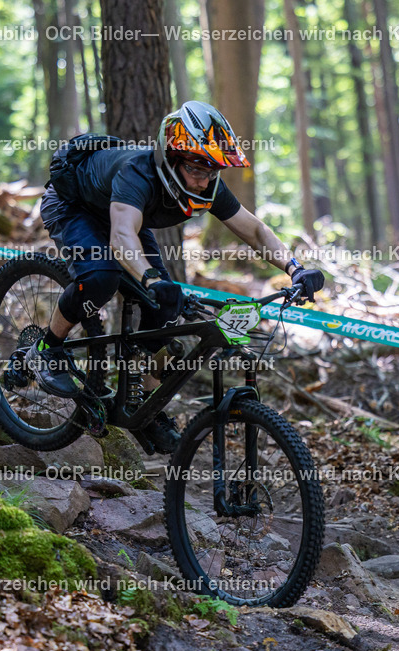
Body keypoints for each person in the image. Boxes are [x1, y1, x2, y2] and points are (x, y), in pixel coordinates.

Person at [28, 101, 325, 454]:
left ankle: (145, 406)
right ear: (171, 157)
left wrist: (294, 269)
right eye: (197, 170)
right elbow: (122, 237)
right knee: (101, 277)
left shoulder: (207, 183)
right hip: (74, 205)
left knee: (164, 308)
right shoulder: (137, 172)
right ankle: (46, 347)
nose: (203, 181)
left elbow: (255, 231)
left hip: (126, 216)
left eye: (212, 171)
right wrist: (151, 278)